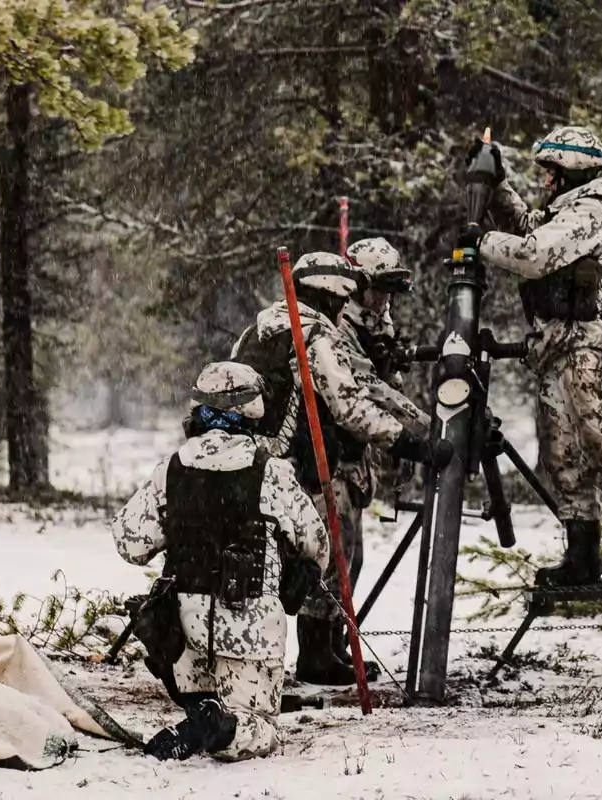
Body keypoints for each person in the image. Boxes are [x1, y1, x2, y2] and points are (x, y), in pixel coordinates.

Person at [230, 251, 453, 686]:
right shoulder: (317, 336)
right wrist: (411, 444)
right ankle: (317, 655)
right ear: (330, 297)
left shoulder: (259, 327)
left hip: (255, 460)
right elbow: (350, 406)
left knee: (316, 556)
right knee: (330, 555)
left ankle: (325, 647)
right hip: (301, 463)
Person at [454, 125, 602, 588]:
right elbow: (529, 228)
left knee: (600, 442)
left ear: (572, 172)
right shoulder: (565, 212)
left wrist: (478, 239)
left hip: (585, 345)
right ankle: (582, 555)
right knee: (560, 454)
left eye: (550, 172)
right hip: (552, 346)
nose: (544, 182)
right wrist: (499, 183)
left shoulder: (595, 214)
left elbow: (532, 255)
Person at [111, 362, 329, 761]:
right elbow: (316, 545)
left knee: (209, 705)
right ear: (254, 410)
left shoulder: (171, 470)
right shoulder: (271, 472)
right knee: (259, 731)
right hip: (250, 628)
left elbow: (130, 544)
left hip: (184, 633)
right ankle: (213, 726)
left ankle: (202, 715)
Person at [323, 236, 432, 665]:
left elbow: (393, 383)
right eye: (378, 289)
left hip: (354, 456)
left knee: (352, 557)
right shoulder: (338, 327)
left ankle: (334, 645)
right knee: (333, 556)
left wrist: (398, 451)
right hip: (325, 453)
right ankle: (318, 653)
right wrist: (423, 430)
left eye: (390, 290)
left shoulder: (377, 321)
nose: (385, 299)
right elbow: (371, 389)